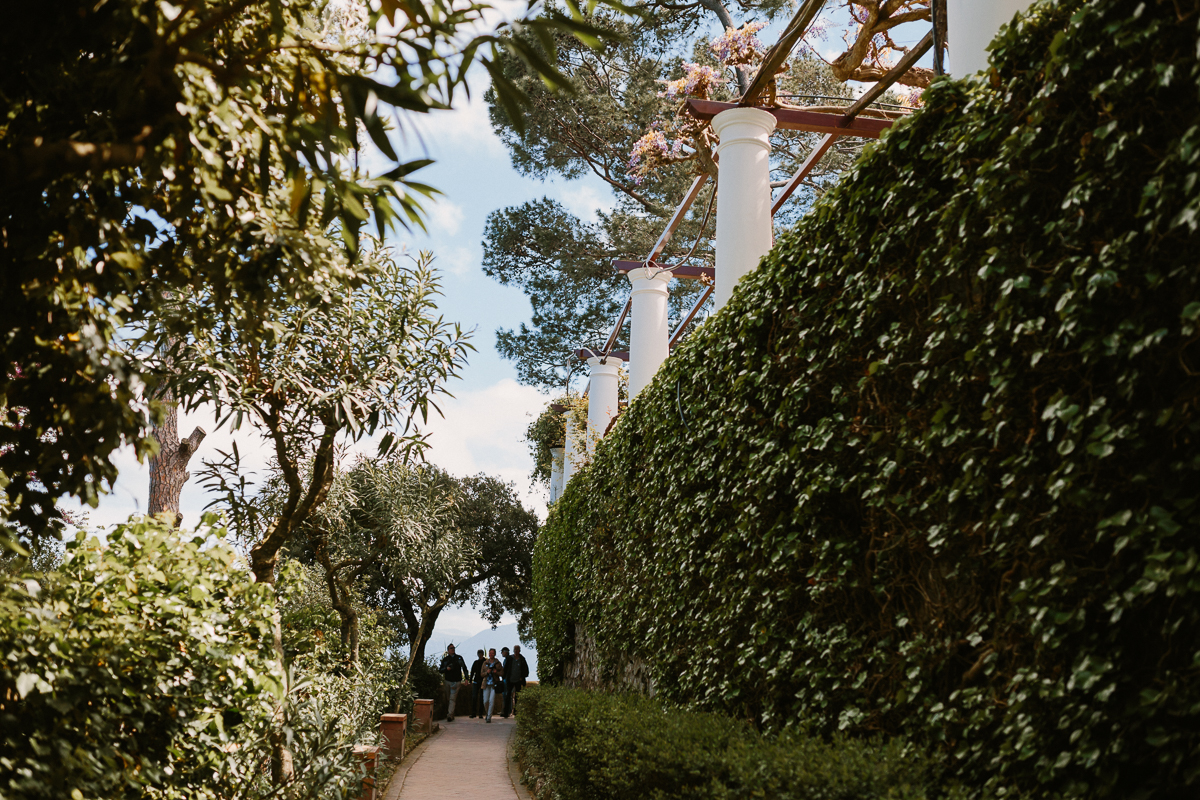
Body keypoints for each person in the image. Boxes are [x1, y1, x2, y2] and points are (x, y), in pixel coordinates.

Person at [438, 643, 469, 722]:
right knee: (449, 698)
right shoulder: (445, 660)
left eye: (454, 648)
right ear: (448, 650)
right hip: (447, 681)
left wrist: (466, 678)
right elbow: (440, 670)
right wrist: (446, 669)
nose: (453, 649)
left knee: (452, 698)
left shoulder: (459, 658)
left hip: (456, 681)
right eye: (451, 648)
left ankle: (449, 715)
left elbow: (464, 668)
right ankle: (451, 713)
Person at [480, 647, 504, 723]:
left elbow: (502, 673)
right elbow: (481, 674)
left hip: (494, 684)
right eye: (490, 653)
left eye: (492, 653)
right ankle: (487, 713)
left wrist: (495, 672)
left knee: (491, 701)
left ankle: (489, 717)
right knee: (485, 701)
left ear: (495, 654)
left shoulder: (498, 663)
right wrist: (487, 672)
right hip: (486, 684)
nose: (491, 654)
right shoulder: (485, 663)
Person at [510, 644, 531, 716]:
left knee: (517, 696)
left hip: (518, 680)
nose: (516, 651)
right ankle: (508, 710)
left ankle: (516, 710)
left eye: (517, 649)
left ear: (519, 650)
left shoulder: (522, 659)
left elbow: (526, 670)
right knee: (508, 695)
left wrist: (522, 676)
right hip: (510, 680)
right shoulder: (510, 658)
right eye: (515, 649)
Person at [469, 648, 485, 718]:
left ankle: (480, 713)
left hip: (482, 681)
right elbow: (472, 672)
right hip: (476, 681)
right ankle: (474, 713)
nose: (480, 655)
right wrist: (470, 680)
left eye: (481, 654)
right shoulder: (476, 662)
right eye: (479, 654)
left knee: (481, 698)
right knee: (474, 697)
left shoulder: (485, 662)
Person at [500, 646, 514, 718]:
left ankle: (507, 710)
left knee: (507, 695)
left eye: (502, 652)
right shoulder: (508, 659)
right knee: (506, 695)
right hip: (506, 679)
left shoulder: (508, 660)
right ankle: (506, 710)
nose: (502, 653)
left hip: (507, 680)